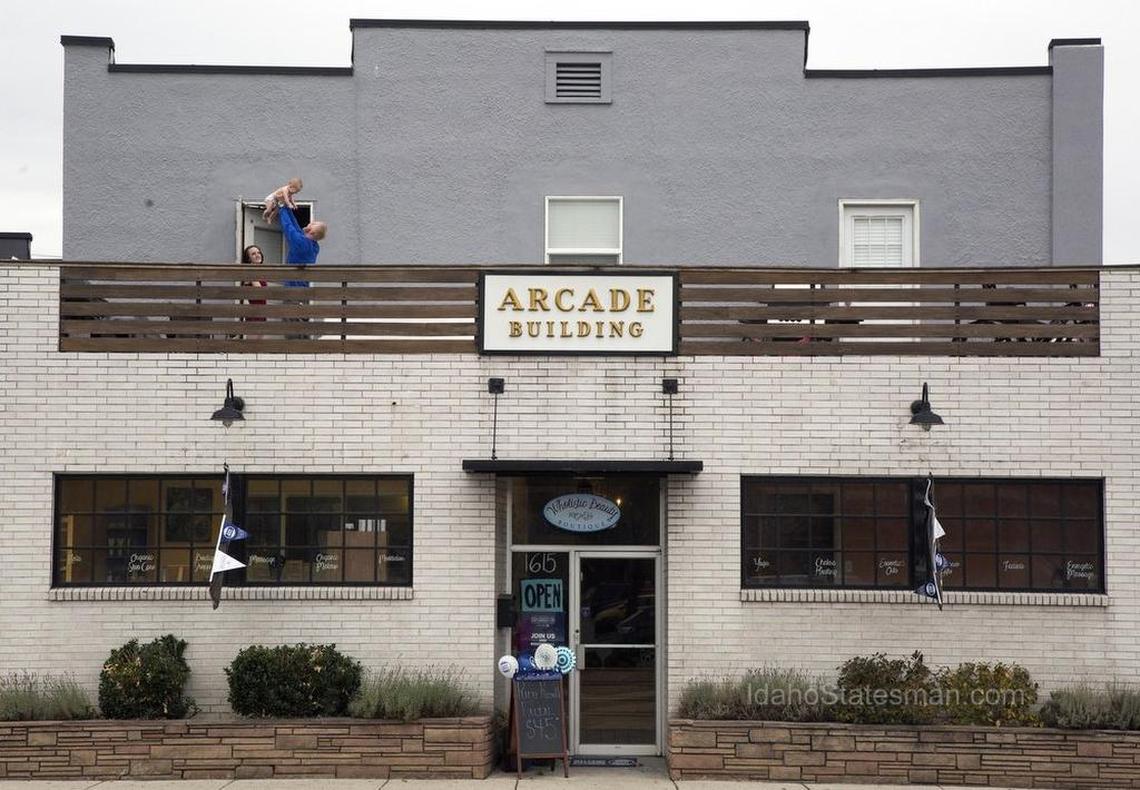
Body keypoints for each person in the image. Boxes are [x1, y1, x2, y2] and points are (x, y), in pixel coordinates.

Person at [276, 203, 327, 336]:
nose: (311, 223)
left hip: (293, 290)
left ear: (312, 232)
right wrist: (286, 207)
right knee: (299, 322)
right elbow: (296, 227)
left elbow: (289, 228)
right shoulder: (313, 245)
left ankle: (293, 346)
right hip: (301, 290)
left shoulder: (302, 243)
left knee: (291, 324)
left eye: (313, 224)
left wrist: (281, 209)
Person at [240, 245, 267, 323]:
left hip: (261, 313)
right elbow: (261, 292)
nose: (257, 255)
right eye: (253, 254)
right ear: (249, 259)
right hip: (255, 314)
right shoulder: (250, 272)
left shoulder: (258, 271)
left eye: (258, 252)